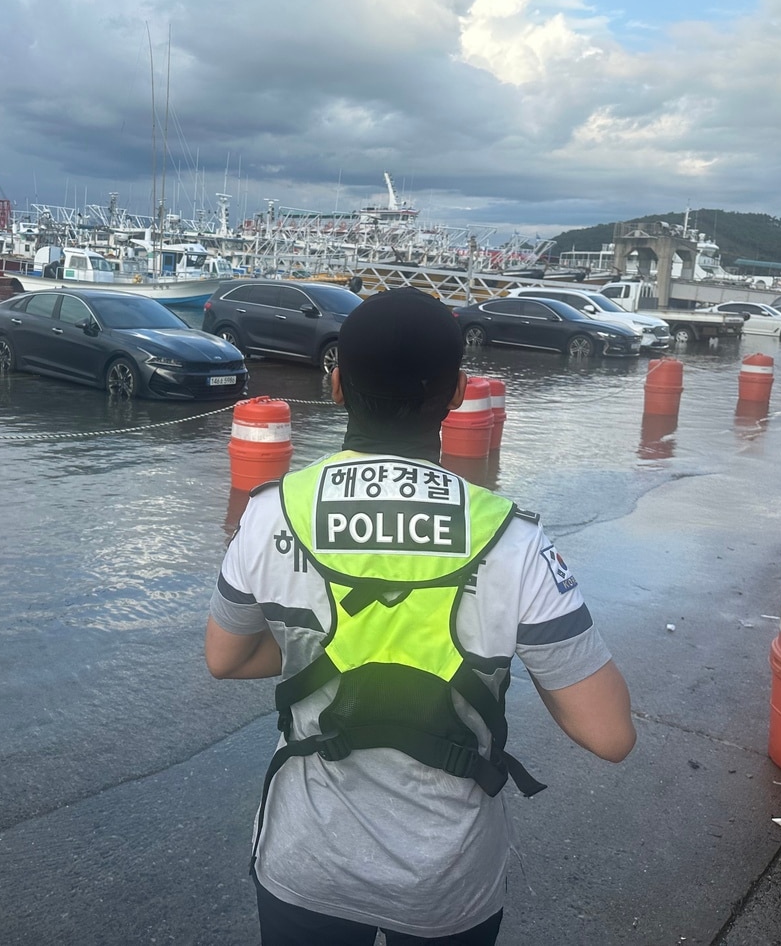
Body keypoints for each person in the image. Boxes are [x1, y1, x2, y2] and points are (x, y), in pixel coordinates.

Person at [205, 287, 635, 945]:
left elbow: (225, 657)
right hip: (448, 880)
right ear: (459, 391)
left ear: (338, 382)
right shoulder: (512, 539)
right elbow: (609, 734)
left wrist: (309, 641)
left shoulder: (271, 512)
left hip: (307, 862)